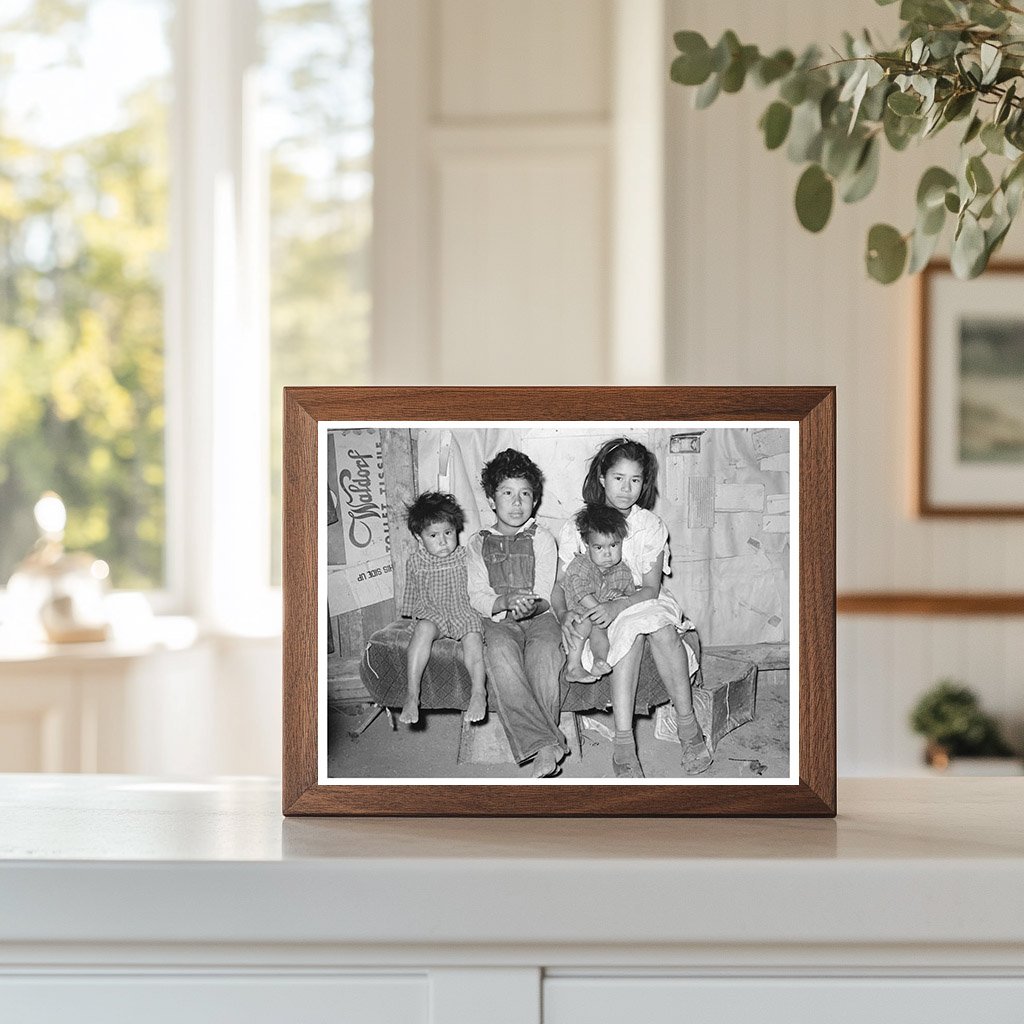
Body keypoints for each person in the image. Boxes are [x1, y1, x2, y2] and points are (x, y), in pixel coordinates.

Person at [552, 437, 711, 779]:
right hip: (595, 602)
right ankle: (624, 746)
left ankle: (688, 728)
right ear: (601, 479)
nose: (626, 488)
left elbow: (651, 589)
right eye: (618, 478)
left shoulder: (650, 526)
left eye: (635, 480)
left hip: (639, 597)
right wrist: (565, 614)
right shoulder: (579, 525)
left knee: (661, 628)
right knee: (629, 636)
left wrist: (621, 605)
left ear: (644, 483)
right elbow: (560, 588)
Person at [466, 449, 568, 778]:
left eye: (525, 494)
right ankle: (547, 743)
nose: (516, 502)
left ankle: (542, 746)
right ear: (492, 500)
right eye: (507, 493)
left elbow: (544, 591)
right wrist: (505, 602)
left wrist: (531, 605)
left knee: (544, 654)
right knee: (499, 653)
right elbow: (477, 595)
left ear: (535, 500)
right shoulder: (477, 543)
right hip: (500, 620)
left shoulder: (541, 538)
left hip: (539, 617)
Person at [399, 492, 486, 726]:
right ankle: (412, 694)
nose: (443, 541)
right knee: (424, 629)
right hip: (433, 613)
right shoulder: (416, 562)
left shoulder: (465, 556)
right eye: (433, 535)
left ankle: (479, 693)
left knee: (473, 636)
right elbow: (412, 595)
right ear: (419, 537)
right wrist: (414, 619)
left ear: (456, 530)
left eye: (448, 533)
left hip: (462, 611)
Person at [561, 503, 635, 682]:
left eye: (613, 545)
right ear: (587, 545)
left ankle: (599, 661)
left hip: (602, 618)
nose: (608, 554)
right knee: (584, 623)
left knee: (600, 633)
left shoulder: (623, 571)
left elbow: (629, 595)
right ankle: (573, 667)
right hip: (580, 612)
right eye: (599, 548)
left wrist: (618, 598)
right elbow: (581, 593)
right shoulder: (581, 565)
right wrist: (601, 609)